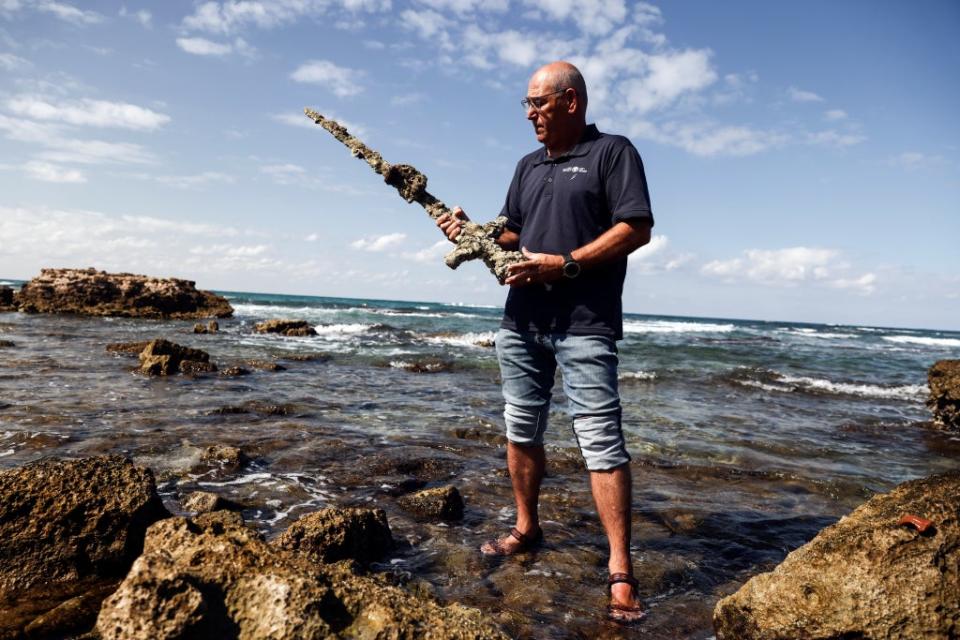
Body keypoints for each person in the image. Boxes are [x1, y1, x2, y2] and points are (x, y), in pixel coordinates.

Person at [437, 60, 654, 623]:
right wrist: (472, 230)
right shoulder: (527, 165)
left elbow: (636, 226)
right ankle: (527, 528)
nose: (530, 113)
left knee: (601, 440)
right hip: (522, 322)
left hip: (586, 323)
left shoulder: (613, 153)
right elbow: (511, 231)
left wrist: (566, 265)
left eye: (538, 103)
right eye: (527, 105)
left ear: (571, 102)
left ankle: (620, 568)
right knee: (520, 427)